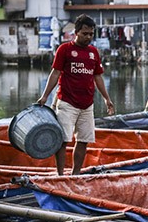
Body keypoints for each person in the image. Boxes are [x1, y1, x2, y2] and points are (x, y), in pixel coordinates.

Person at [36, 14, 115, 175]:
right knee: (63, 140)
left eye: (91, 34)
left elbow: (97, 76)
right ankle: (60, 175)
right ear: (76, 32)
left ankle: (75, 174)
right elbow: (55, 73)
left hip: (87, 105)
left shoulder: (93, 52)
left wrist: (107, 99)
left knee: (84, 140)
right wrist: (45, 96)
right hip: (67, 103)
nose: (88, 37)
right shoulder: (64, 49)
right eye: (85, 33)